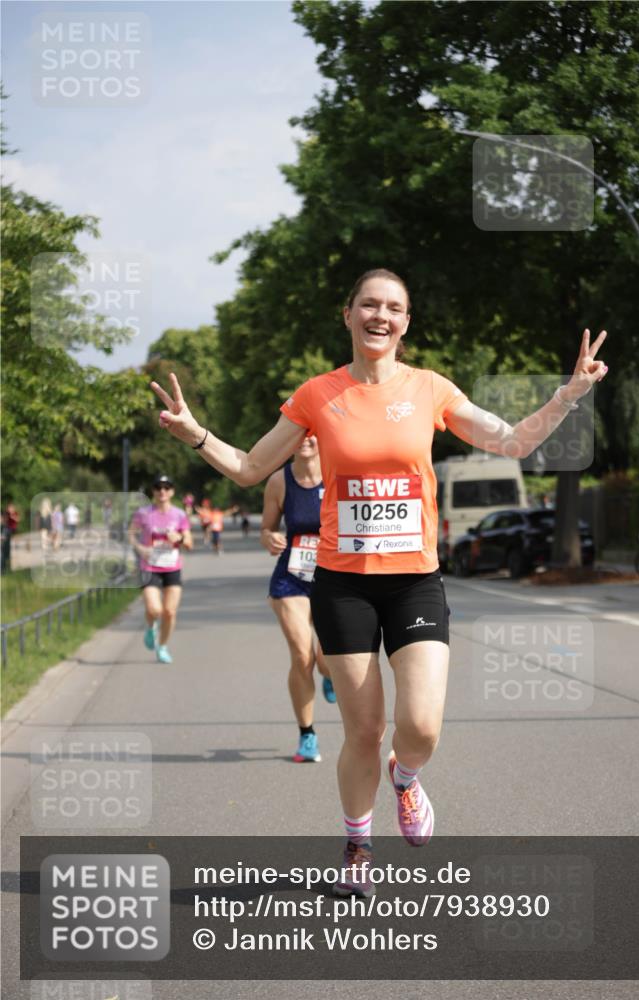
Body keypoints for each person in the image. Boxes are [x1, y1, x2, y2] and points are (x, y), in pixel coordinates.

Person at [151, 268, 608, 894]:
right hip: (343, 585)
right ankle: (358, 845)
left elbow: (511, 441)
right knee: (363, 729)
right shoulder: (317, 394)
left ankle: (406, 776)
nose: (381, 315)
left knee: (420, 727)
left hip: (415, 581)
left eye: (394, 307)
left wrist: (570, 393)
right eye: (369, 304)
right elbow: (252, 467)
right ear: (348, 314)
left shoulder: (429, 390)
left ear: (405, 323)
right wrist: (196, 434)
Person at [261, 435, 336, 765]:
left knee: (325, 658)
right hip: (292, 577)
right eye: (299, 433)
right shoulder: (279, 480)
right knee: (302, 656)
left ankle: (330, 674)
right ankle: (307, 734)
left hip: (335, 576)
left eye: (312, 432)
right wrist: (270, 538)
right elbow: (267, 528)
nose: (305, 439)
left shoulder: (339, 472)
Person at [128, 473, 193, 664]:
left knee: (170, 612)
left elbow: (189, 543)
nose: (162, 491)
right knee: (154, 609)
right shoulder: (143, 514)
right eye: (158, 488)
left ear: (172, 492)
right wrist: (140, 548)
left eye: (166, 487)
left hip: (172, 567)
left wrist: (180, 539)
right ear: (153, 492)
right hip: (149, 565)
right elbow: (130, 534)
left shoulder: (179, 515)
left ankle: (162, 646)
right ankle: (150, 628)